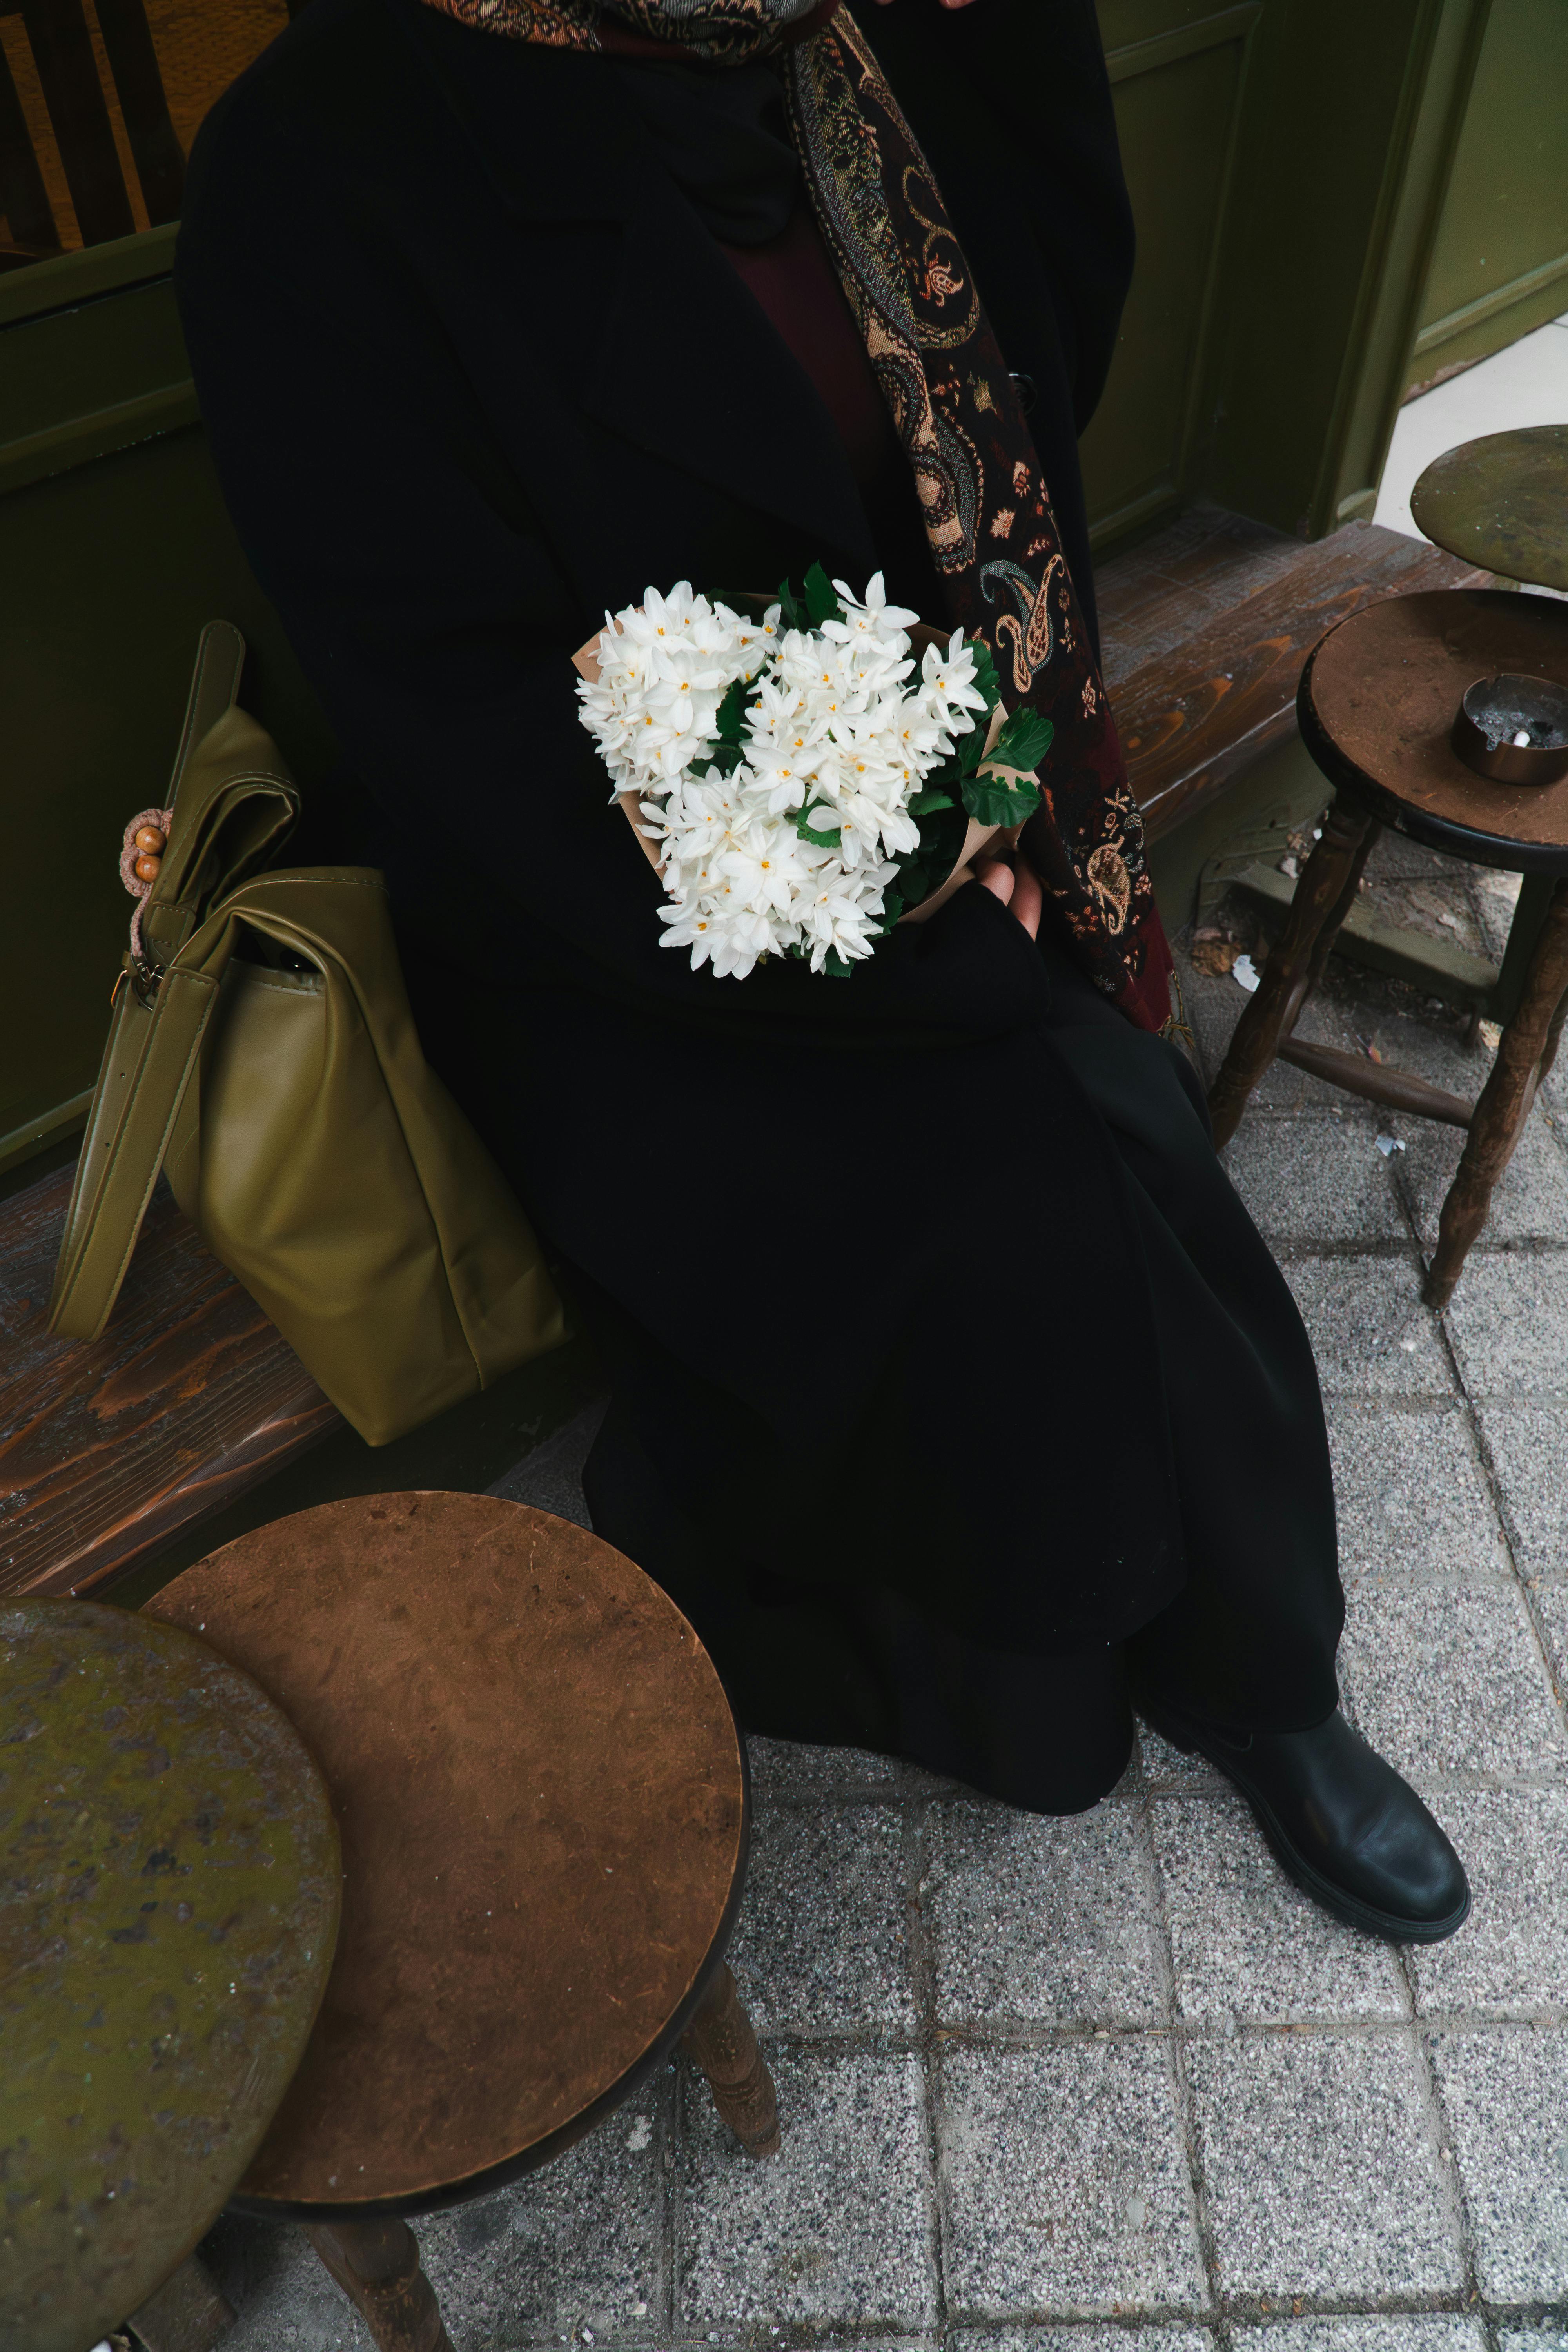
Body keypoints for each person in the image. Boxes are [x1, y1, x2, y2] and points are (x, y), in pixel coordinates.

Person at [174, 0, 1469, 1941]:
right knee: (1049, 1185)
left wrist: (971, 819)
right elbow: (455, 711)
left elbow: (1047, 371)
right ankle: (1088, 1674)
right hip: (619, 920)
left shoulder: (870, 42)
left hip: (952, 768)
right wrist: (892, 914)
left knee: (1094, 1163)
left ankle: (1257, 1670)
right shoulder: (329, 156)